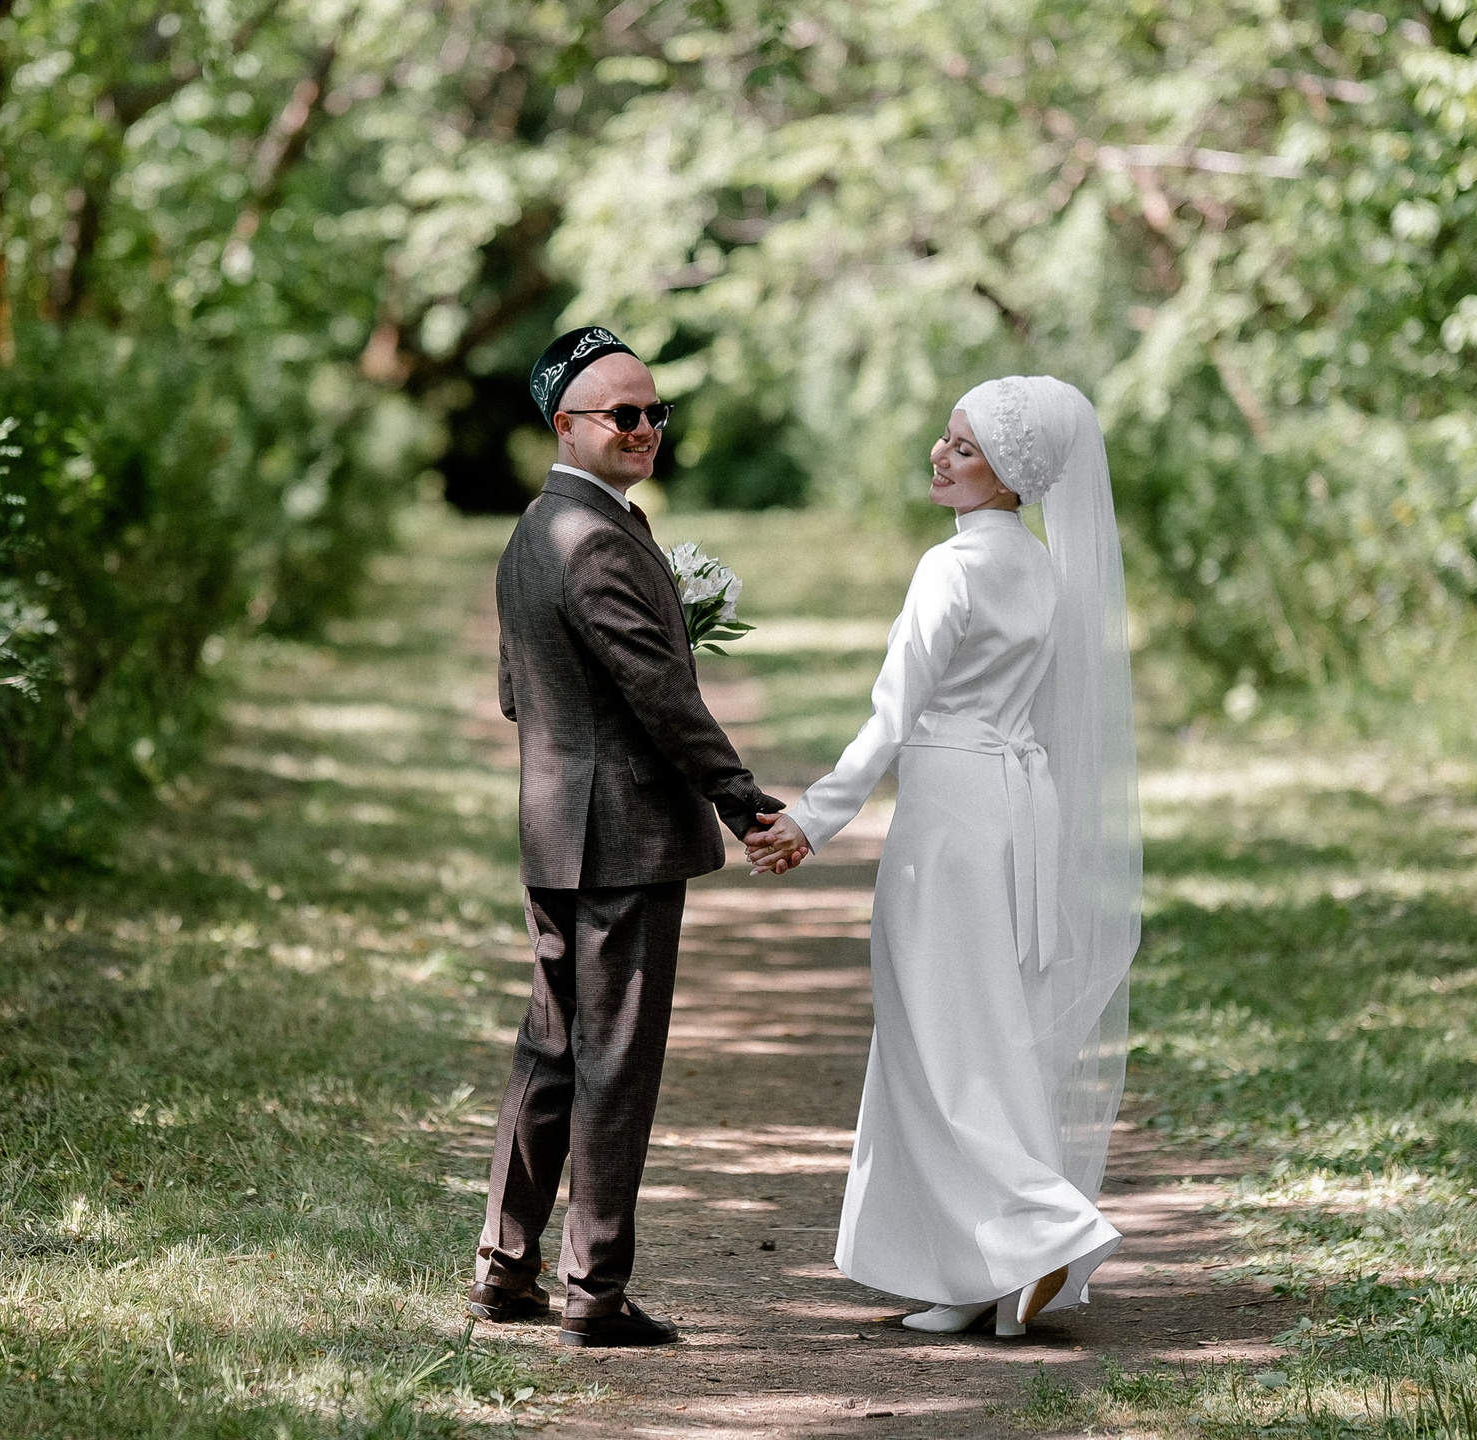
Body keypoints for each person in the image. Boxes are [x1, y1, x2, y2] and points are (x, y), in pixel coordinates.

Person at [744, 375, 1143, 1337]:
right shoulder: (1045, 571)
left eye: (964, 447)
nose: (941, 453)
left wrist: (814, 817)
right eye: (947, 437)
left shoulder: (951, 568)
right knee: (988, 1031)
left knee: (935, 1035)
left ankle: (1048, 1230)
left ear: (1008, 473)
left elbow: (896, 711)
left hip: (953, 814)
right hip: (1022, 810)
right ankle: (972, 1269)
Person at [470, 325, 784, 1349]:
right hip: (621, 840)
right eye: (624, 414)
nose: (647, 428)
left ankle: (504, 1271)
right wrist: (741, 800)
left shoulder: (533, 533)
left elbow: (519, 692)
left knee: (552, 1051)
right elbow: (656, 689)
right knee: (613, 1061)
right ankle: (594, 1294)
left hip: (555, 824)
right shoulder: (595, 536)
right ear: (566, 424)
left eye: (656, 411)